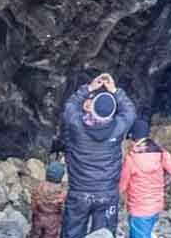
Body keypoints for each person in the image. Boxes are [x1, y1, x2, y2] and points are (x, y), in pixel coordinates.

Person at [61, 73, 137, 238]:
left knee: (72, 233)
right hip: (106, 193)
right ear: (112, 112)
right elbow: (130, 111)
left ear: (91, 106)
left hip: (80, 191)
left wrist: (89, 88)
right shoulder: (118, 127)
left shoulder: (76, 124)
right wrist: (115, 90)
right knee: (103, 234)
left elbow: (70, 106)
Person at [119, 119, 171, 238]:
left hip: (139, 208)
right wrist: (162, 183)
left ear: (132, 137)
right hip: (156, 205)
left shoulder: (131, 159)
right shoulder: (161, 152)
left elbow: (122, 186)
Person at [28, 161, 67, 238]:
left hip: (38, 216)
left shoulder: (39, 187)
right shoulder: (62, 191)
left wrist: (33, 213)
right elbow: (63, 207)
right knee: (50, 235)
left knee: (35, 233)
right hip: (53, 220)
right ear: (61, 176)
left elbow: (33, 202)